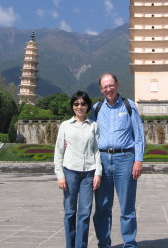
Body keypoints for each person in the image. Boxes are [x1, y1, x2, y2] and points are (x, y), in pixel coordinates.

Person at [91, 73, 145, 248]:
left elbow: (139, 135)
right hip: (103, 160)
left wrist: (138, 160)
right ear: (101, 89)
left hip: (125, 159)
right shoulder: (96, 108)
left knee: (127, 207)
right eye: (105, 86)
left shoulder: (129, 106)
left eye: (111, 85)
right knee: (102, 207)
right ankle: (104, 244)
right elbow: (88, 134)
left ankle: (129, 244)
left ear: (117, 85)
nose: (108, 89)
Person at [54, 91, 102, 248]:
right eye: (76, 104)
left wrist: (98, 173)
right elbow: (58, 152)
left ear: (88, 106)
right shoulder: (65, 126)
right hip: (70, 172)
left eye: (83, 103)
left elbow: (96, 151)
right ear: (72, 106)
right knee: (69, 212)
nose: (79, 107)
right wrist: (60, 175)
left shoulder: (93, 126)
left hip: (89, 173)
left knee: (84, 213)